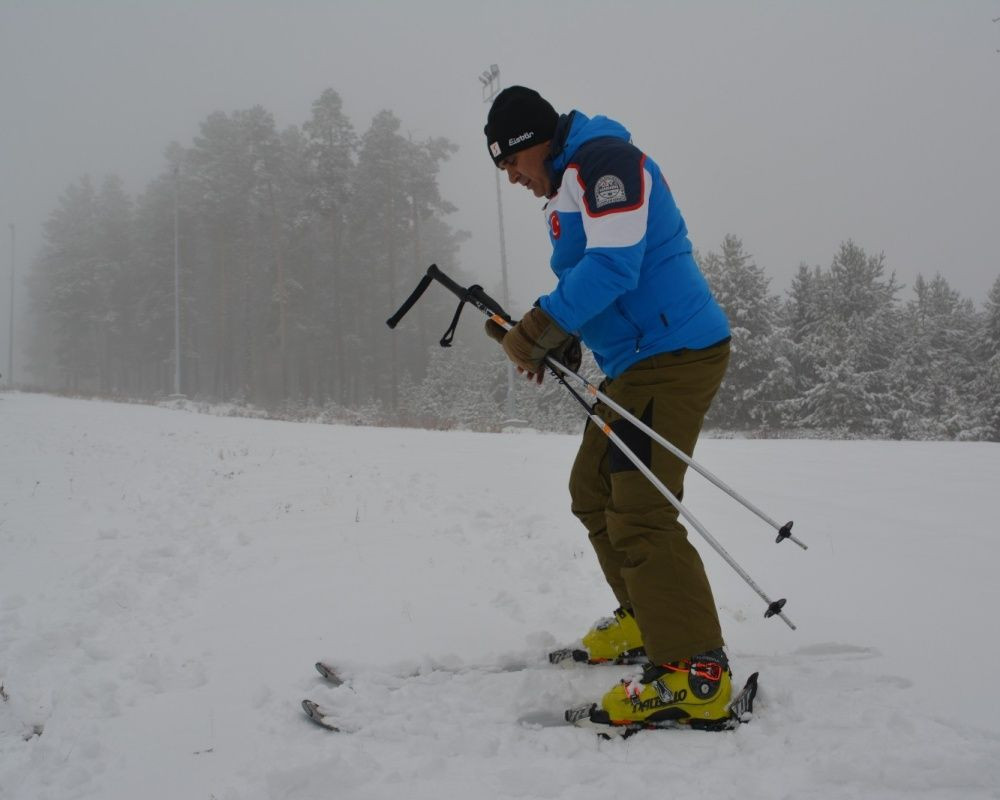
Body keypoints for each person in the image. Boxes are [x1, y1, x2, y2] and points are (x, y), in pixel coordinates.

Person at [483, 87, 734, 729]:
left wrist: (536, 328)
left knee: (641, 509)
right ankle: (649, 621)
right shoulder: (569, 181)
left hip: (674, 353)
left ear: (531, 141)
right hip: (635, 363)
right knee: (592, 489)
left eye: (511, 164)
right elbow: (586, 280)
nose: (513, 179)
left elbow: (616, 268)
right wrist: (555, 335)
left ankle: (693, 673)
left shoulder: (606, 162)